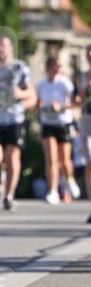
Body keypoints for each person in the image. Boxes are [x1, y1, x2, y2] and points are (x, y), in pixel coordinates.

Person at [0, 35, 36, 210]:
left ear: (10, 48)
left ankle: (9, 194)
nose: (1, 49)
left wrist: (20, 94)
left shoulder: (19, 67)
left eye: (4, 46)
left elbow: (31, 93)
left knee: (13, 157)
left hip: (14, 119)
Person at [36, 56, 80, 204]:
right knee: (51, 158)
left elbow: (75, 103)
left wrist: (60, 107)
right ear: (48, 68)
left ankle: (69, 178)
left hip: (63, 124)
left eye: (59, 66)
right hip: (48, 124)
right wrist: (41, 107)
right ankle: (53, 190)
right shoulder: (41, 85)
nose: (56, 69)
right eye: (54, 66)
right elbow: (37, 103)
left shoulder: (65, 84)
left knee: (64, 160)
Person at [73, 42, 91, 222]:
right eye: (88, 53)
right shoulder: (82, 78)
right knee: (89, 162)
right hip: (87, 120)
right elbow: (79, 101)